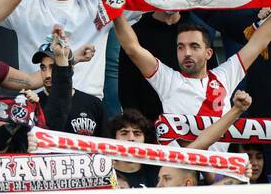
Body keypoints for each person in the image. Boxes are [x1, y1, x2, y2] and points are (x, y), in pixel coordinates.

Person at [113, 11, 271, 128]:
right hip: (181, 170)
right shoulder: (167, 80)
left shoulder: (226, 75)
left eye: (194, 47)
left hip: (219, 170)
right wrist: (114, 10)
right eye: (181, 47)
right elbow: (132, 48)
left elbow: (258, 42)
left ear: (209, 53)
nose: (187, 53)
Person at [33, 37, 108, 136]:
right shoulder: (32, 104)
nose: (47, 75)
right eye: (43, 68)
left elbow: (107, 146)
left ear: (70, 68)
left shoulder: (93, 105)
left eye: (53, 67)